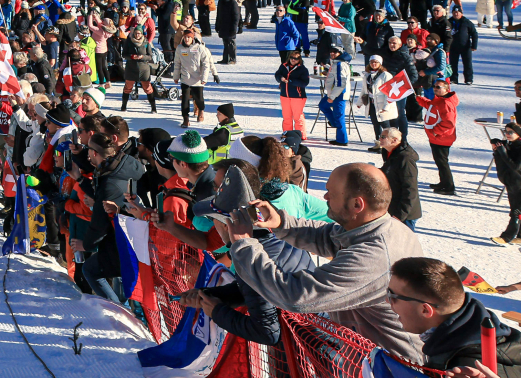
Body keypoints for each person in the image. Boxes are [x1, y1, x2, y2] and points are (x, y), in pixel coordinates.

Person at [223, 162, 425, 362]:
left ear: (357, 204)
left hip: (392, 366)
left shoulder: (373, 257)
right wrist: (281, 223)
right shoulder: (378, 227)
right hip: (372, 360)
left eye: (332, 193)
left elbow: (296, 296)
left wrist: (245, 246)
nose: (325, 197)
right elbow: (328, 236)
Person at [385, 257, 521, 376]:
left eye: (392, 296)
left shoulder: (464, 369)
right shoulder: (475, 325)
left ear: (425, 310)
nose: (387, 300)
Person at [373, 126, 423, 230]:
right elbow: (389, 170)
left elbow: (410, 189)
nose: (380, 139)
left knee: (405, 244)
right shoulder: (389, 153)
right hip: (393, 207)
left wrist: (400, 215)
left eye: (383, 137)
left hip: (405, 214)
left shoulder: (405, 159)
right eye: (380, 136)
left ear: (394, 140)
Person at [417, 75, 458, 196]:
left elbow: (449, 123)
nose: (435, 89)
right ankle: (443, 182)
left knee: (442, 162)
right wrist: (420, 99)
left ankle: (449, 187)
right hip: (436, 138)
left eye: (438, 87)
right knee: (440, 162)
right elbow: (431, 107)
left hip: (441, 138)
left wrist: (436, 131)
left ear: (446, 89)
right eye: (434, 87)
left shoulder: (446, 103)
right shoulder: (439, 100)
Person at [175, 29, 214, 125]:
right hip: (185, 77)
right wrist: (176, 76)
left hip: (197, 78)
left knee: (199, 99)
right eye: (185, 37)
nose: (187, 39)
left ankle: (201, 110)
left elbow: (206, 64)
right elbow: (177, 63)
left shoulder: (199, 48)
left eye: (189, 37)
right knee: (185, 99)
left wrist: (204, 78)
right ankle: (185, 118)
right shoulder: (180, 48)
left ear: (192, 38)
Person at [276, 50, 308, 133]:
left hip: (297, 96)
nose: (293, 60)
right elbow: (277, 74)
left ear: (299, 59)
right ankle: (287, 134)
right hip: (284, 95)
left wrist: (291, 81)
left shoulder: (303, 69)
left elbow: (304, 83)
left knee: (298, 117)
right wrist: (280, 78)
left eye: (296, 59)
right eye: (292, 58)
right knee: (287, 117)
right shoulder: (283, 66)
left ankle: (300, 135)